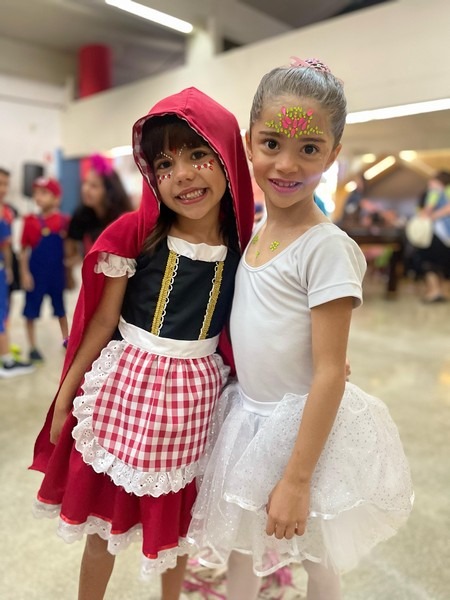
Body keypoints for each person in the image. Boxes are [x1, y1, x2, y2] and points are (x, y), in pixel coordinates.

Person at [187, 58, 414, 600]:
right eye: (271, 143)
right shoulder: (256, 233)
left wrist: (297, 478)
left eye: (309, 148)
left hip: (304, 432)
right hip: (249, 421)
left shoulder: (327, 248)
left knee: (318, 557)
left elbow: (330, 371)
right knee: (242, 545)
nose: (286, 164)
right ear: (248, 143)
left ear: (333, 155)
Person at [29, 87, 254, 600]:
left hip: (196, 402)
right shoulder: (138, 233)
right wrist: (63, 399)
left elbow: (262, 322)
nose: (183, 174)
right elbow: (101, 322)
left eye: (198, 154)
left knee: (177, 531)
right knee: (101, 527)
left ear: (226, 156)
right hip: (127, 390)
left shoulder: (243, 247)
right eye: (165, 163)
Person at [19, 177, 70, 361]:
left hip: (57, 273)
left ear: (56, 198)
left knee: (60, 309)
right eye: (36, 193)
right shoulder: (30, 221)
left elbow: (70, 249)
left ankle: (67, 340)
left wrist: (70, 271)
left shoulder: (64, 221)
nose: (38, 197)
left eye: (44, 193)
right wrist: (24, 273)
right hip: (36, 274)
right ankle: (32, 346)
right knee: (30, 311)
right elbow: (23, 251)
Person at [65, 154, 133, 284]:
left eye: (94, 186)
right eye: (85, 183)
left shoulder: (122, 218)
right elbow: (71, 244)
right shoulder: (81, 214)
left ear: (108, 191)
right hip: (93, 276)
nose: (85, 189)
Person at [0, 169, 34, 377]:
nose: (3, 188)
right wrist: (9, 269)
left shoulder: (7, 211)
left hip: (5, 266)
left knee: (6, 310)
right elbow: (5, 246)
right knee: (1, 313)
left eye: (6, 184)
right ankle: (6, 361)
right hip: (2, 268)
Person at [415, 170, 450, 302]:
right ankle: (443, 292)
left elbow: (427, 211)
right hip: (447, 235)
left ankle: (434, 292)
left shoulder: (435, 192)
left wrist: (429, 215)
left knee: (428, 262)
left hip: (437, 233)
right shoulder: (447, 192)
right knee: (444, 263)